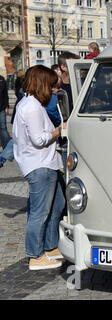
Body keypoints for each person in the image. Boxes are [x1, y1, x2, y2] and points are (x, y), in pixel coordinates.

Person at [13, 65, 65, 270]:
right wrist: (58, 131)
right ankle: (35, 254)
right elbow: (38, 139)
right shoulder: (31, 107)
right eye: (52, 86)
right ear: (43, 84)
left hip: (46, 163)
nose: (53, 90)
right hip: (39, 164)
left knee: (57, 205)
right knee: (40, 212)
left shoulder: (29, 103)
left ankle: (50, 246)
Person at [0, 73, 10, 149]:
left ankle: (6, 147)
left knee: (3, 127)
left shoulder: (2, 79)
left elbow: (5, 94)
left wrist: (7, 106)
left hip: (1, 107)